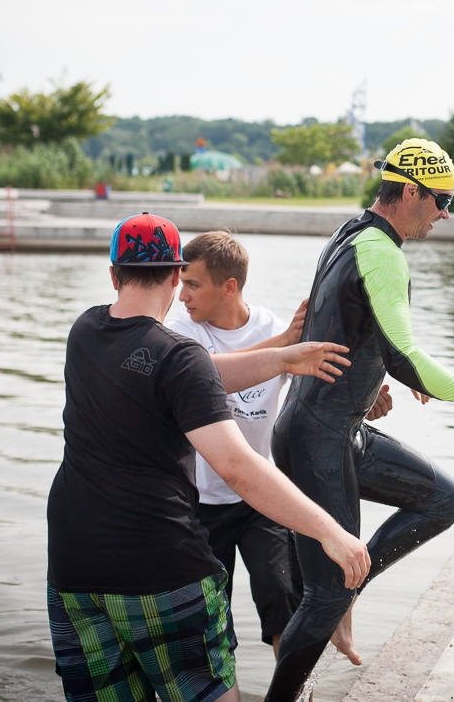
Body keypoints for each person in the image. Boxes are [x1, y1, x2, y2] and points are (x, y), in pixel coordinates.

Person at [46, 212, 371, 702]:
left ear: (113, 274)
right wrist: (330, 531)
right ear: (175, 276)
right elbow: (235, 465)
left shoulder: (84, 332)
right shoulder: (178, 356)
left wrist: (283, 357)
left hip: (74, 569)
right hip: (158, 567)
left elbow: (196, 373)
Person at [264, 139, 454, 702]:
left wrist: (377, 376)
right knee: (324, 596)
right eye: (442, 200)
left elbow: (353, 326)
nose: (445, 214)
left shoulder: (349, 233)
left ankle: (351, 578)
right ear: (412, 191)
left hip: (328, 429)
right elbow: (405, 355)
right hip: (319, 438)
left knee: (443, 499)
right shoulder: (382, 252)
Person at [164, 231, 394, 658]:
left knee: (282, 596)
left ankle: (290, 685)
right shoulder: (180, 330)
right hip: (197, 502)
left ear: (229, 287)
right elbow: (203, 372)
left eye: (192, 284)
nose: (182, 295)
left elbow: (319, 389)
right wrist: (285, 346)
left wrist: (364, 401)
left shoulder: (272, 326)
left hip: (258, 496)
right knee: (204, 618)